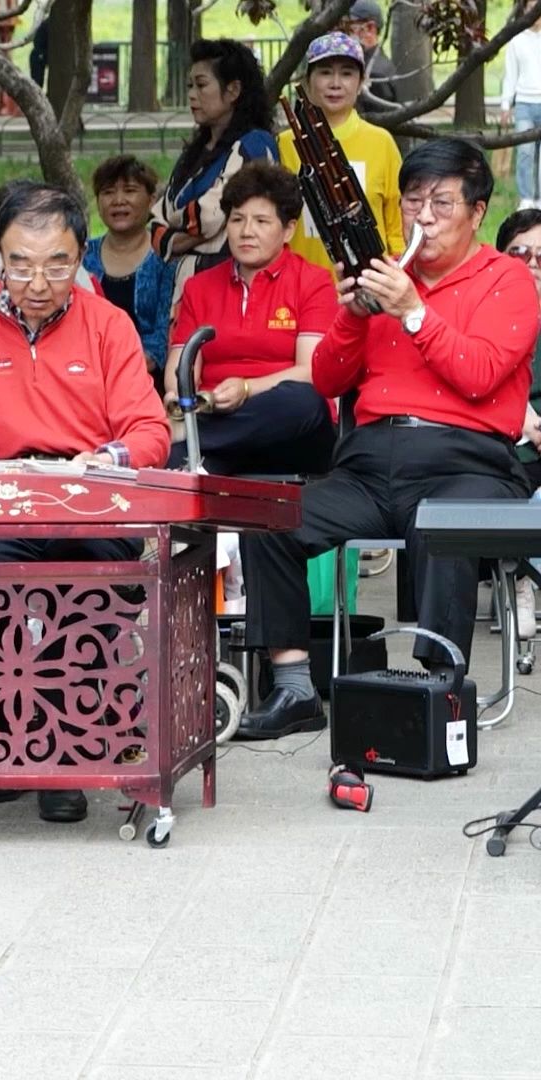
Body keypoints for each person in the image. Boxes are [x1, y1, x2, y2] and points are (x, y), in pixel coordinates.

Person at [238, 139, 538, 739]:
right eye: (412, 202)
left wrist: (413, 312)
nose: (423, 217)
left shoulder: (509, 279)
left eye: (442, 203)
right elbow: (326, 378)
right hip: (370, 460)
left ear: (478, 212)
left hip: (468, 458)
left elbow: (479, 375)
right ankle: (295, 686)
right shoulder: (385, 273)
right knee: (268, 517)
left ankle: (439, 689)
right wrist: (352, 314)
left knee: (445, 523)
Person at [0, 184, 169, 824]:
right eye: (19, 263)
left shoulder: (108, 323)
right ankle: (2, 735)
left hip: (82, 502)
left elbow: (150, 430)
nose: (37, 281)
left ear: (82, 256)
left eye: (57, 263)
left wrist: (105, 460)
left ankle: (64, 748)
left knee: (84, 567)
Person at [166, 161, 337, 475]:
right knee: (171, 467)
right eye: (237, 220)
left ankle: (187, 435)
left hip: (289, 432)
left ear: (288, 230)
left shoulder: (313, 281)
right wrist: (181, 398)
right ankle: (188, 436)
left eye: (261, 221)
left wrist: (247, 389)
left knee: (303, 401)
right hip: (217, 422)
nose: (246, 232)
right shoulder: (199, 286)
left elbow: (312, 371)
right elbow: (181, 366)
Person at [151, 39, 279, 314]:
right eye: (190, 86)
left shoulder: (254, 146)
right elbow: (154, 222)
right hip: (182, 292)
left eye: (201, 84)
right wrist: (186, 228)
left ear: (233, 90)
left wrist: (173, 234)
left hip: (233, 290)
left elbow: (210, 215)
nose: (192, 95)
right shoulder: (194, 153)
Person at [277, 32, 406, 273]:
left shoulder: (381, 142)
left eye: (347, 73)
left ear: (360, 82)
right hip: (301, 289)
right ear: (308, 81)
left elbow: (397, 227)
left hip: (368, 287)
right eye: (325, 72)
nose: (335, 83)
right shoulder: (286, 144)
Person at [82, 155, 175, 382]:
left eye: (130, 190)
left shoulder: (167, 258)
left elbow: (164, 334)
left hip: (149, 379)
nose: (118, 200)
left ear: (152, 199)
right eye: (108, 192)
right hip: (89, 374)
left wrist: (125, 370)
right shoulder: (82, 257)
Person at [498, 207, 541, 636]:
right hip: (511, 435)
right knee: (510, 473)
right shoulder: (489, 314)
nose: (531, 265)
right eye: (519, 254)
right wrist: (523, 419)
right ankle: (522, 582)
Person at [501, 17, 541, 210]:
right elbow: (510, 75)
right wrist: (505, 104)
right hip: (524, 103)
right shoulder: (517, 39)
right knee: (525, 151)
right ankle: (526, 198)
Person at [343, 0, 399, 111]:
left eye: (347, 26)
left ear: (369, 28)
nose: (341, 32)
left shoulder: (374, 74)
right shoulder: (376, 64)